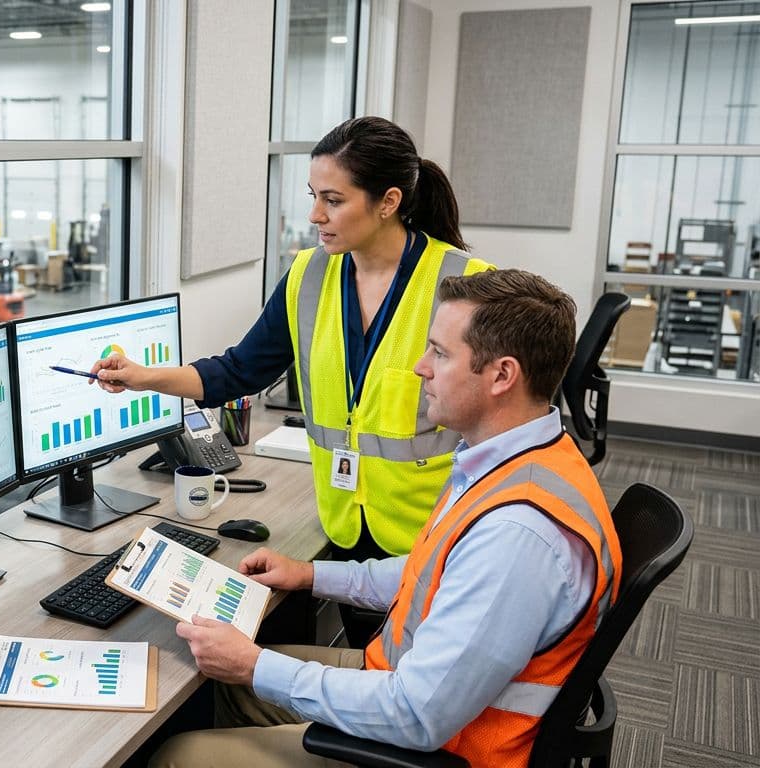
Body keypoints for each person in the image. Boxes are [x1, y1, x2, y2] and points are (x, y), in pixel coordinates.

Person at [150, 270, 621, 768]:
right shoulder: (524, 457)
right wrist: (311, 575)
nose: (420, 367)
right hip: (409, 682)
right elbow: (434, 571)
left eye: (440, 353)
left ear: (502, 375)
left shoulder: (518, 534)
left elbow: (416, 716)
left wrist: (257, 665)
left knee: (177, 755)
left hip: (444, 746)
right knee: (229, 689)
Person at [91, 117, 493, 643]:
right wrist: (147, 378)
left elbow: (498, 419)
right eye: (312, 195)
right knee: (369, 669)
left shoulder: (463, 284)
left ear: (388, 201)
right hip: (346, 525)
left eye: (333, 199)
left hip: (435, 533)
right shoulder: (308, 275)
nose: (314, 215)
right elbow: (239, 370)